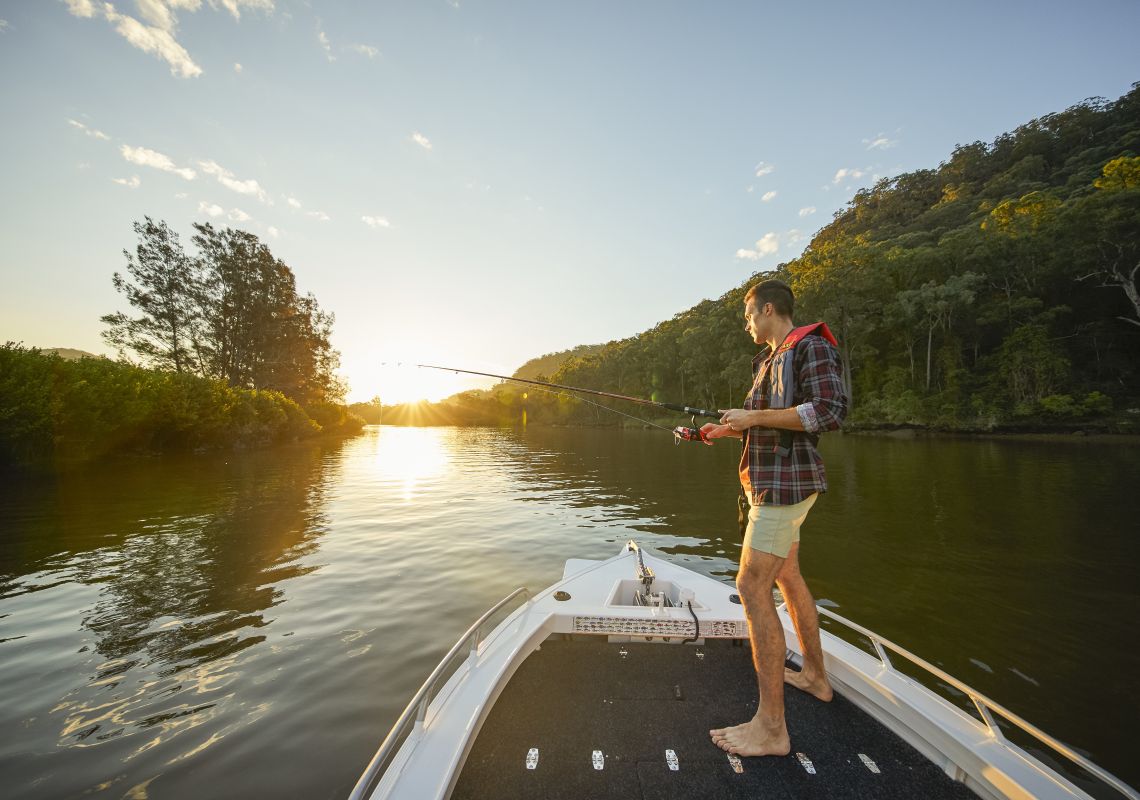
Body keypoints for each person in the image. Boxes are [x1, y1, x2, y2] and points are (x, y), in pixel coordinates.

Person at [701, 278, 847, 757]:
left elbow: (829, 410)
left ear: (767, 309)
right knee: (787, 575)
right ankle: (816, 676)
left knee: (750, 587)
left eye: (748, 314)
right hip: (777, 486)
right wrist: (723, 431)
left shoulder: (809, 347)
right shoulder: (768, 360)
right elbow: (758, 420)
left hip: (784, 490)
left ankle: (771, 729)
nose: (746, 323)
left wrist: (753, 420)